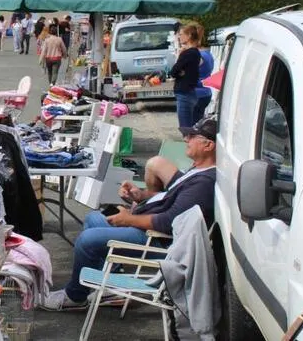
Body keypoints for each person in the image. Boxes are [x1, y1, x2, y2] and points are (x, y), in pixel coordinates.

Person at [42, 117, 218, 311]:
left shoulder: (203, 183)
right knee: (93, 219)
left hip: (161, 241)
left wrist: (129, 219)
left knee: (87, 240)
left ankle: (75, 297)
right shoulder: (197, 170)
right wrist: (140, 195)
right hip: (155, 232)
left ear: (208, 145)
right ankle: (109, 286)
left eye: (192, 136)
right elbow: (169, 198)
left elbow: (168, 222)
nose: (186, 139)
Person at [171, 23, 203, 135]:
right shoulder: (195, 52)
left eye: (181, 34)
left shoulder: (188, 53)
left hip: (184, 92)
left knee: (186, 130)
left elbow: (173, 71)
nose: (179, 37)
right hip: (190, 91)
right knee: (190, 127)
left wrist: (179, 71)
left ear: (189, 35)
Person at [194, 40, 215, 121]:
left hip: (196, 93)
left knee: (191, 124)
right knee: (198, 120)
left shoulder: (198, 56)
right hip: (206, 91)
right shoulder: (208, 54)